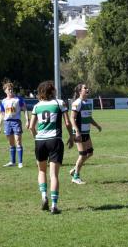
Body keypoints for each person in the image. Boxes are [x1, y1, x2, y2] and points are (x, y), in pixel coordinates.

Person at [29, 81, 73, 214]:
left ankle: (44, 196)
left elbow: (31, 127)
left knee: (41, 171)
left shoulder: (37, 106)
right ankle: (54, 205)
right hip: (55, 140)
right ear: (52, 91)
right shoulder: (59, 103)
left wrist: (37, 137)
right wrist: (71, 136)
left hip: (40, 141)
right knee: (53, 175)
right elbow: (67, 122)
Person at [69, 84, 102, 185]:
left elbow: (89, 118)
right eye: (85, 88)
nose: (87, 89)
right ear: (80, 91)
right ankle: (76, 177)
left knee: (90, 153)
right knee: (83, 155)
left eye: (87, 87)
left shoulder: (88, 102)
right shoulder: (77, 103)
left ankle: (75, 169)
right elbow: (72, 118)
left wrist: (97, 125)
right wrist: (77, 131)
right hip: (79, 133)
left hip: (86, 132)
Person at [0, 82, 29, 168]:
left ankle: (20, 162)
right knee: (11, 143)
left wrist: (27, 120)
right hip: (7, 123)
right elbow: (2, 114)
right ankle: (12, 162)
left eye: (11, 89)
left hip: (16, 122)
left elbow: (25, 109)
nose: (11, 90)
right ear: (5, 91)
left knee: (18, 141)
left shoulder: (18, 99)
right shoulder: (3, 101)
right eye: (9, 89)